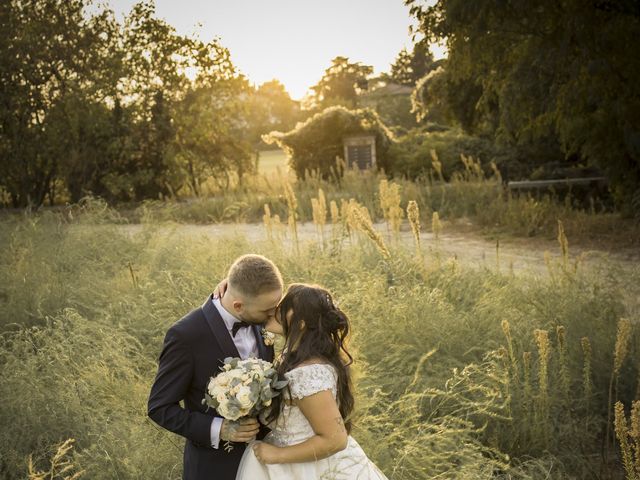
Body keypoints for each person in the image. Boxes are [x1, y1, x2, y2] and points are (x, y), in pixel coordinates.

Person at [147, 254, 283, 480]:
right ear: (238, 306)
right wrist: (218, 429)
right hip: (215, 467)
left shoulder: (259, 310)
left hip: (267, 461)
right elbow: (159, 407)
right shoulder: (186, 335)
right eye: (268, 311)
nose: (274, 316)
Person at [234, 283, 389, 480]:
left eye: (285, 306)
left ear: (302, 323)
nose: (275, 310)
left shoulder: (307, 373)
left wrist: (277, 455)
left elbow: (336, 439)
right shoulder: (295, 358)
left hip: (310, 469)